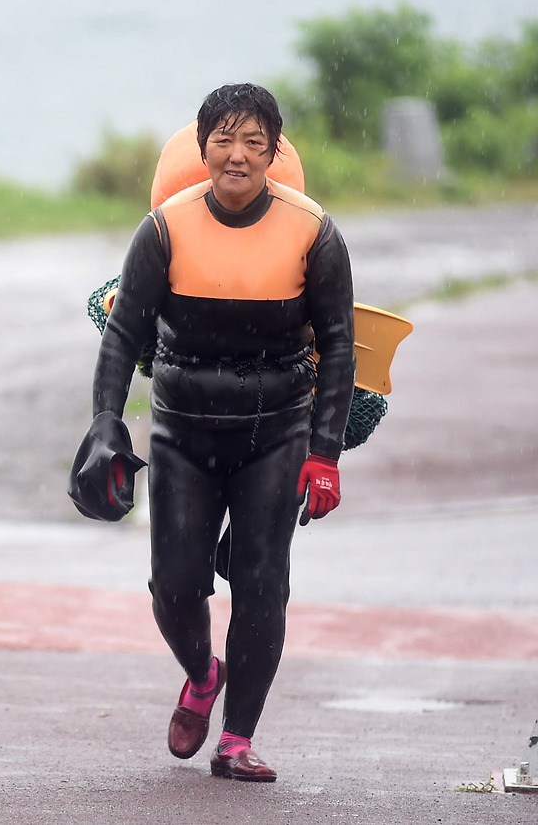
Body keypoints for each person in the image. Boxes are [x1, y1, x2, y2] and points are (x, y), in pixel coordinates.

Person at [70, 84, 355, 781]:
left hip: (276, 434)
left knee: (262, 584)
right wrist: (106, 424)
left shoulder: (312, 232)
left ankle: (237, 739)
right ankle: (202, 674)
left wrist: (324, 454)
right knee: (174, 585)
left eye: (254, 142)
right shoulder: (165, 229)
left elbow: (340, 346)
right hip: (182, 434)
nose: (237, 155)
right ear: (202, 150)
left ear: (274, 152)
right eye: (223, 140)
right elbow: (122, 336)